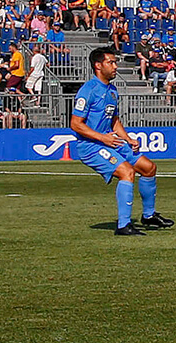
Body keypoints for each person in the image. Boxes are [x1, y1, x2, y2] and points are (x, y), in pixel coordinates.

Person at [70, 46, 169, 235]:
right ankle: (123, 225)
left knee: (149, 168)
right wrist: (102, 138)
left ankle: (148, 216)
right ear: (98, 66)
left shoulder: (112, 90)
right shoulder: (88, 90)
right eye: (111, 62)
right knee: (127, 172)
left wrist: (127, 138)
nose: (115, 66)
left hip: (110, 141)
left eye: (115, 62)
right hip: (90, 146)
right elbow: (75, 124)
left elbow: (114, 120)